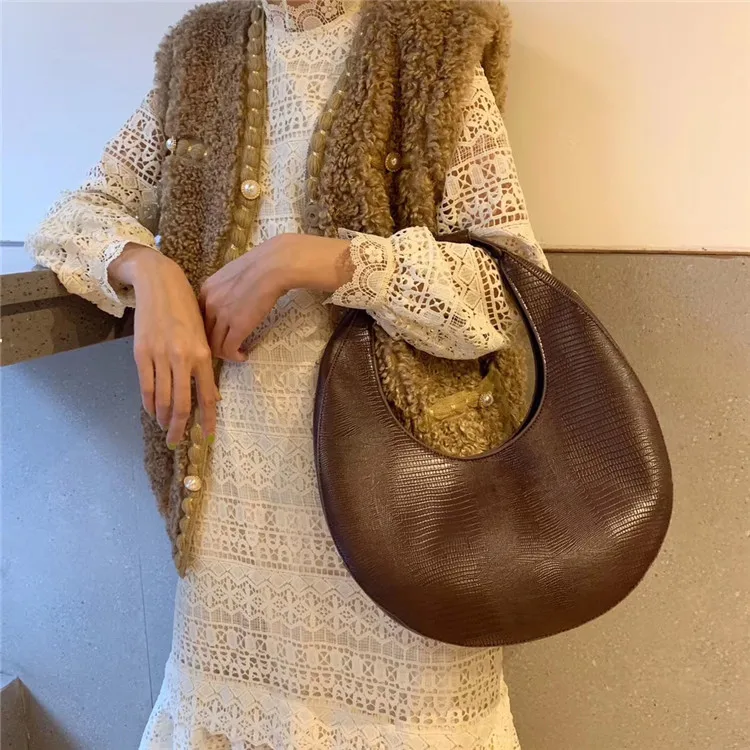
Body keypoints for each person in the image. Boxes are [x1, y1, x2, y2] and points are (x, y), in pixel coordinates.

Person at [27, 1, 548, 747]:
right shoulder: (203, 52)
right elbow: (74, 215)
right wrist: (147, 271)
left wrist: (322, 260)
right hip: (234, 521)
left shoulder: (430, 40)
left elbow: (510, 295)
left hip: (403, 521)